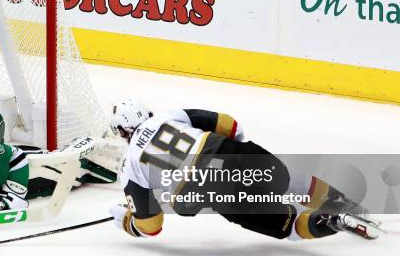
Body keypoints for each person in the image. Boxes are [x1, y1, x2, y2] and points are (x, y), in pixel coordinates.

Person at [108, 99, 381, 241]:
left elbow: (151, 227)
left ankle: (335, 223)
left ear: (122, 132)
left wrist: (127, 221)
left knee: (291, 227)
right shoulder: (168, 115)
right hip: (228, 153)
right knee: (290, 180)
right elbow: (230, 124)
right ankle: (346, 205)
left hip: (212, 189)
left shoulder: (130, 168)